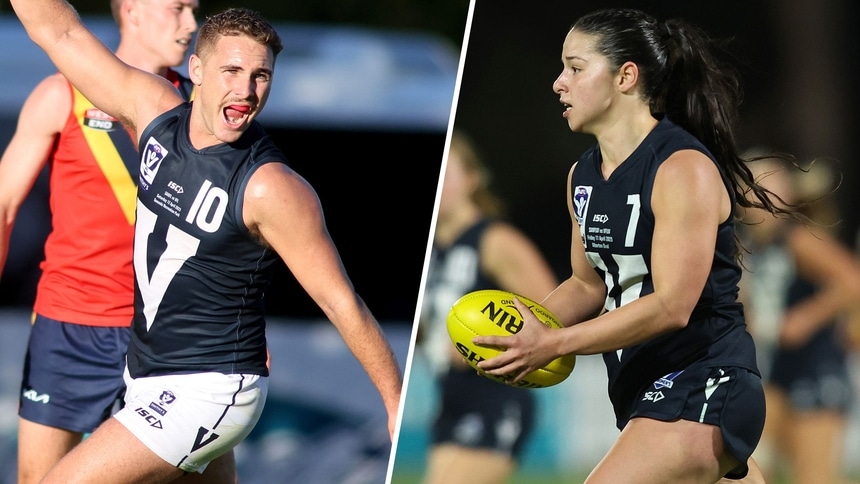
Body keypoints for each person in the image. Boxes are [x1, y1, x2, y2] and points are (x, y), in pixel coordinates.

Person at [9, 1, 404, 482]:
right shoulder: (153, 113)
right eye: (232, 70)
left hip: (209, 387)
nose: (245, 89)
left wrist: (394, 399)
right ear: (195, 69)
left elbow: (340, 300)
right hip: (149, 370)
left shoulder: (270, 187)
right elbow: (60, 32)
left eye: (261, 75)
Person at [468, 8, 801, 483]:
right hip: (643, 388)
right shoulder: (581, 176)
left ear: (626, 76)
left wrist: (555, 343)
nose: (559, 83)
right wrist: (518, 334)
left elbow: (672, 306)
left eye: (576, 68)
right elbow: (586, 286)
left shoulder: (682, 168)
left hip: (705, 381)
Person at [0, 0, 198, 481]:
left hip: (166, 337)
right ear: (131, 10)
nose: (191, 24)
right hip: (68, 326)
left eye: (195, 9)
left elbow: (230, 230)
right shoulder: (60, 94)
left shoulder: (199, 110)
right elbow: (4, 206)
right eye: (178, 8)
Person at [418, 129, 559, 484]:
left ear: (472, 179)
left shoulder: (495, 240)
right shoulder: (435, 250)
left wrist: (483, 336)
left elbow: (555, 311)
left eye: (447, 174)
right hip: (448, 395)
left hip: (495, 396)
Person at [738, 155, 859, 484]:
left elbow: (852, 279)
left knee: (814, 477)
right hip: (778, 371)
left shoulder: (797, 239)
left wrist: (805, 318)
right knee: (749, 468)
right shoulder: (754, 244)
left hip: (817, 372)